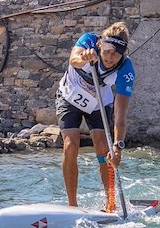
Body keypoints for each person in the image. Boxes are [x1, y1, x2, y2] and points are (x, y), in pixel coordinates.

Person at [56, 22, 136, 209]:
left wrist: (118, 147)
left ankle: (110, 204)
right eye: (106, 51)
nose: (109, 57)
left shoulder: (126, 70)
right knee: (70, 144)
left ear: (122, 54)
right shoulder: (89, 41)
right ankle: (72, 206)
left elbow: (120, 115)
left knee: (103, 147)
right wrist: (84, 57)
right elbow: (73, 59)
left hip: (99, 102)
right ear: (100, 45)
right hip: (69, 95)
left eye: (115, 54)